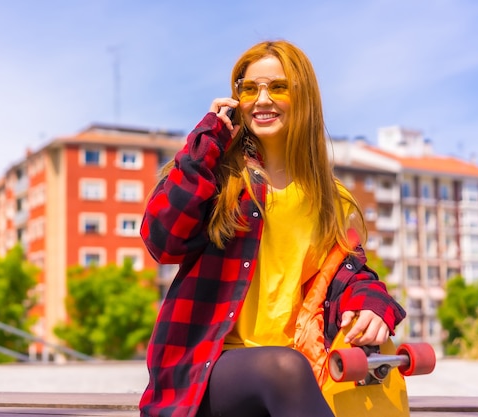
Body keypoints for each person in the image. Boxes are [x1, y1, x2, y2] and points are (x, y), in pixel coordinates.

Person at [139, 39, 406, 417]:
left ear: (304, 98)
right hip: (207, 372)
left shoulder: (333, 199)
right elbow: (161, 241)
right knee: (283, 368)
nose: (261, 100)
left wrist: (371, 307)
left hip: (295, 376)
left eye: (277, 87)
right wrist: (208, 141)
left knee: (289, 368)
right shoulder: (218, 177)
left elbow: (352, 273)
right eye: (249, 89)